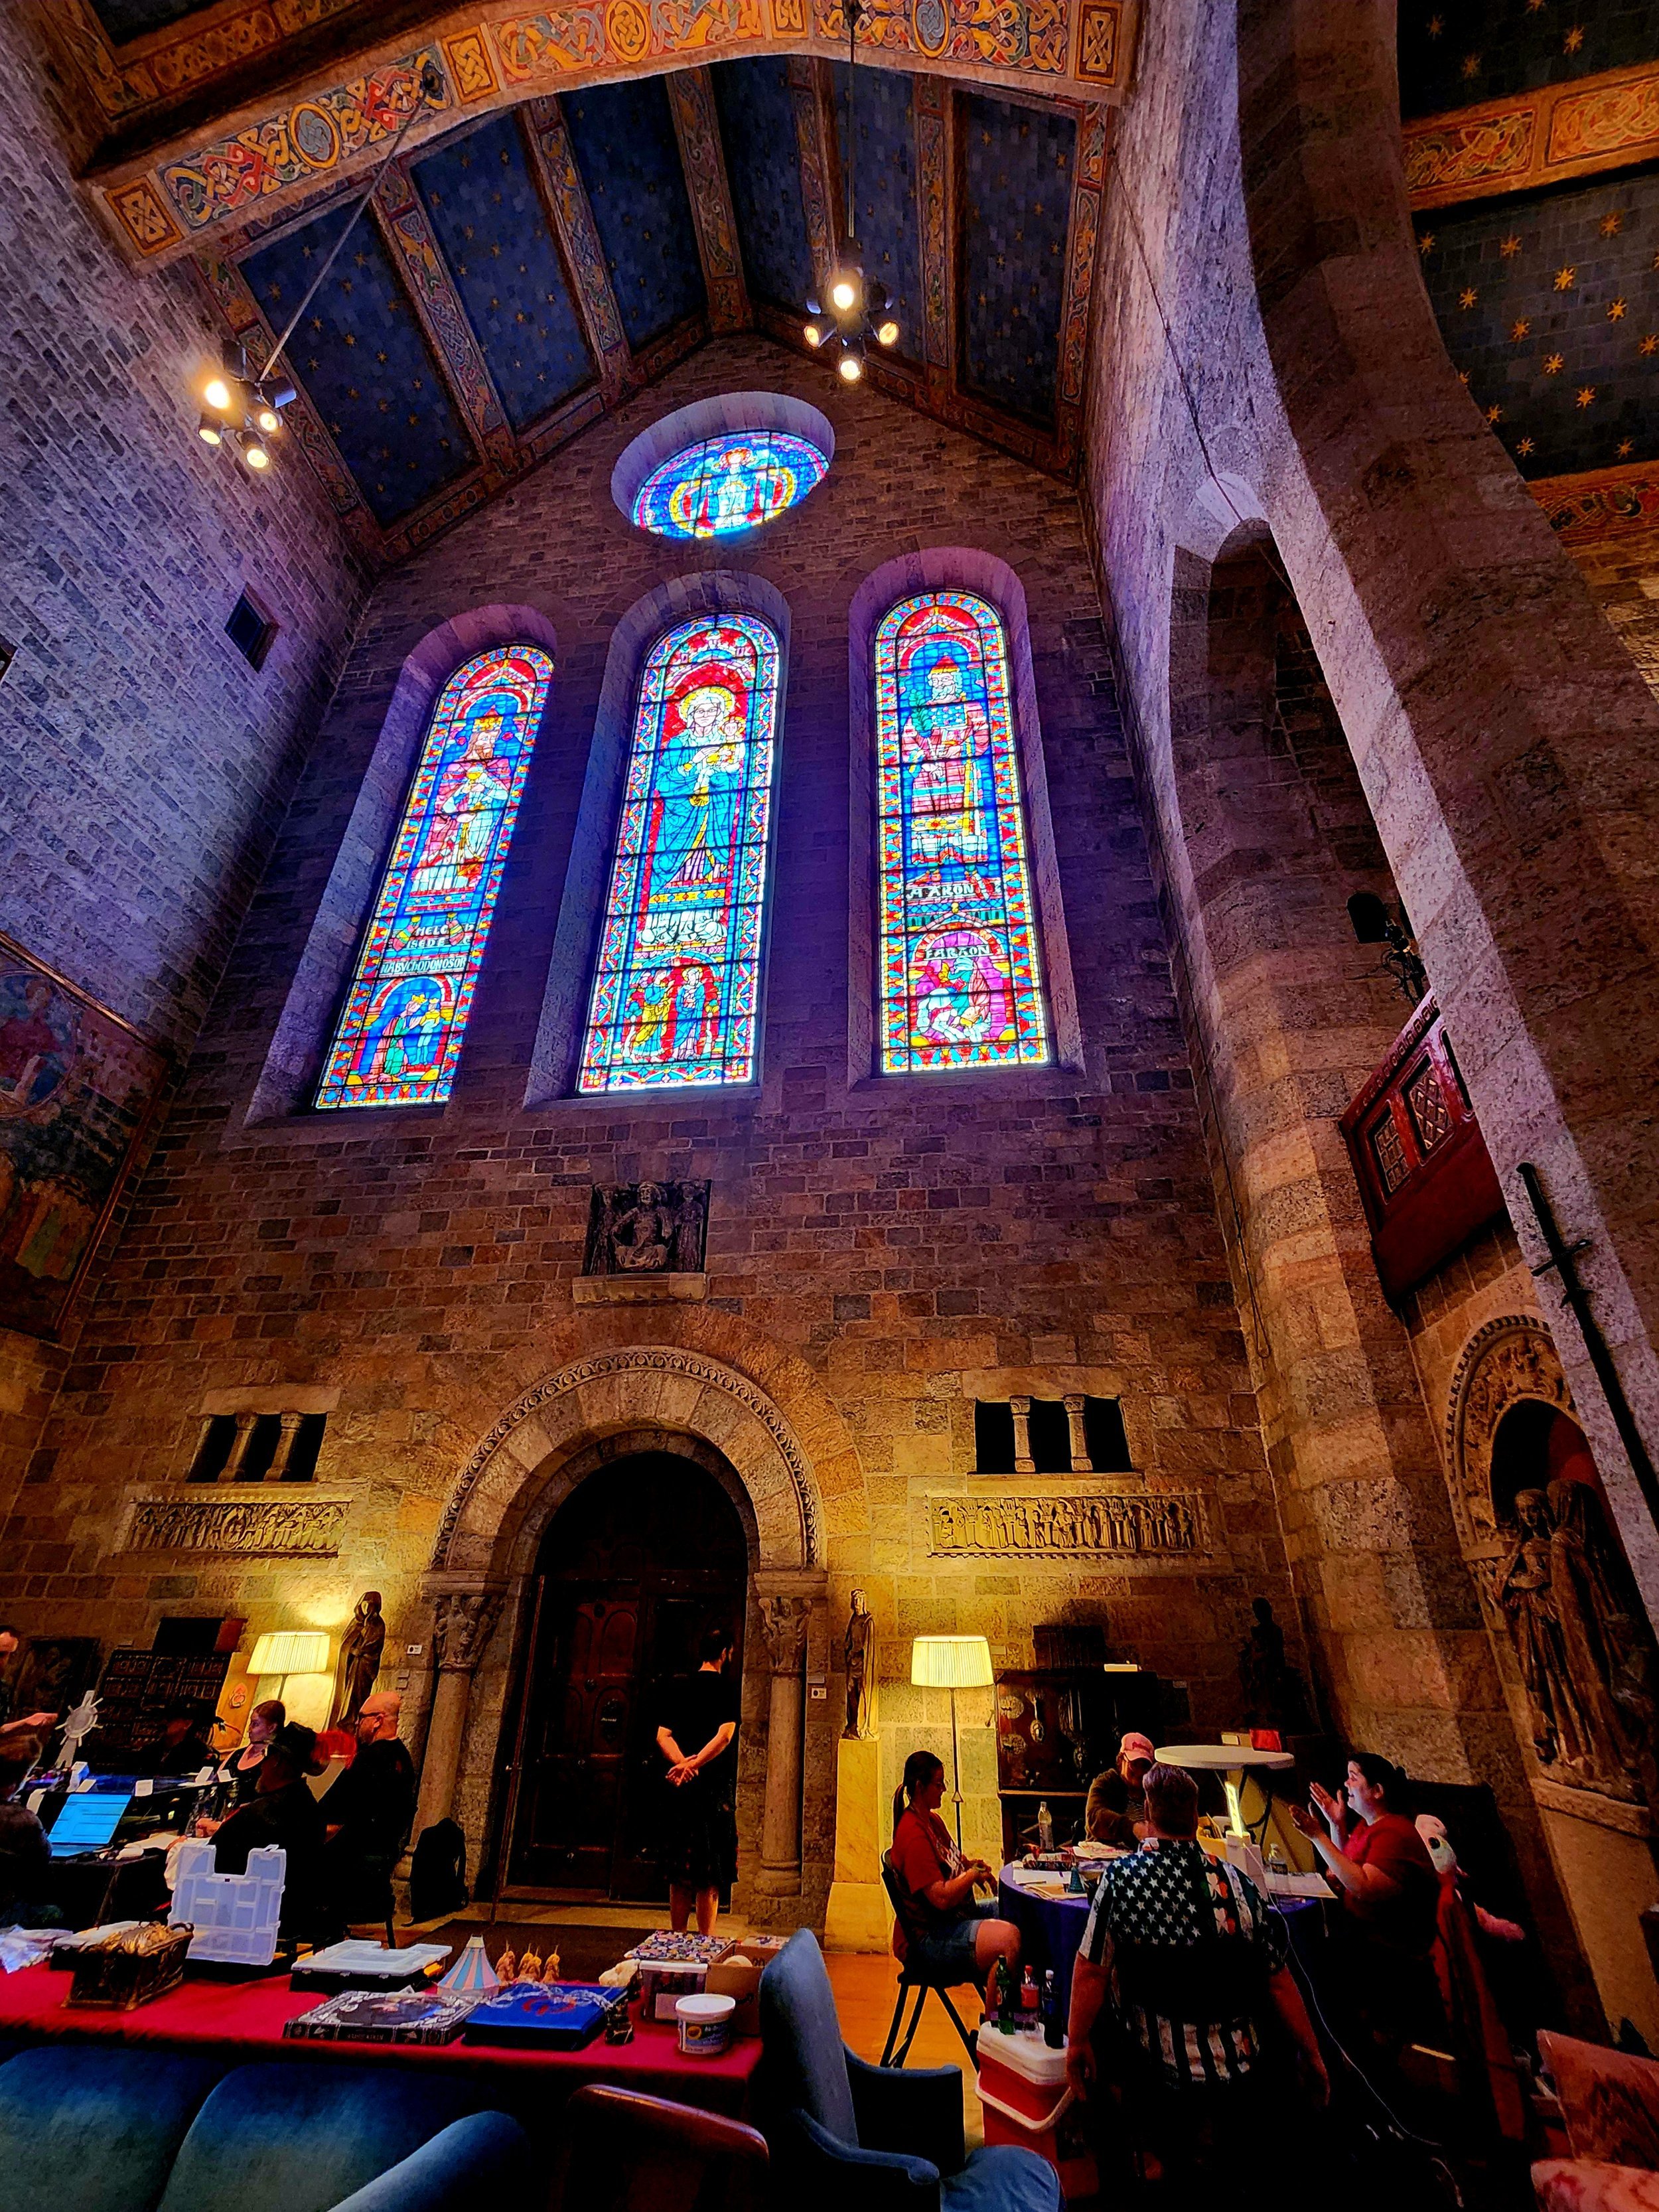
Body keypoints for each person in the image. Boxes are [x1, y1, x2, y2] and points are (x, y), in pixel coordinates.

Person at [1065, 1761, 1327, 2203]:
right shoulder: (1239, 1886)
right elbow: (1278, 1977)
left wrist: (1075, 2041)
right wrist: (1313, 2050)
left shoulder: (1123, 1880)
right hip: (1242, 2065)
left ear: (1148, 1812)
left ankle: (1132, 2169)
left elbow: (1091, 1969)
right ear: (1197, 1816)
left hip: (1153, 2061)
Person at [1292, 1750, 1441, 2055]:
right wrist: (1336, 1824)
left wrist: (1318, 1835)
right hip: (1363, 1938)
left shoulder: (1395, 1833)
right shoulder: (1366, 1827)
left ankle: (1339, 2051)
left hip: (1389, 1953)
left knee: (1307, 1962)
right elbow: (1340, 1870)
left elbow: (1363, 1886)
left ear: (1377, 1790)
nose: (1346, 1784)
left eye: (1354, 1777)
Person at [888, 1749, 1021, 1988]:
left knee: (1018, 1910)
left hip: (951, 1919)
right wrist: (972, 1876)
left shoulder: (933, 1821)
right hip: (929, 1939)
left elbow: (954, 1863)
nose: (944, 1790)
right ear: (920, 1787)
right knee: (1007, 1939)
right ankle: (997, 2020)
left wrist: (975, 1868)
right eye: (939, 1784)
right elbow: (941, 1898)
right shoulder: (912, 1835)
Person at [201, 1721, 326, 1948]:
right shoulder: (312, 1809)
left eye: (266, 1757)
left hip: (245, 1926)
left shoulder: (255, 1816)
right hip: (297, 1920)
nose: (261, 1765)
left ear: (277, 1761)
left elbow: (211, 1867)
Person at [656, 1629, 741, 1937]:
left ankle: (676, 1938)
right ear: (724, 1653)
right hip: (713, 1791)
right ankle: (705, 1942)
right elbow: (725, 1735)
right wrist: (696, 1764)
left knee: (680, 1871)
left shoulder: (680, 1686)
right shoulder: (727, 1688)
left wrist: (682, 1765)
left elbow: (663, 1735)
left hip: (681, 1789)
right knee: (710, 1873)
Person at [317, 1691, 416, 1937]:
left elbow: (331, 1814)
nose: (357, 1724)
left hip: (353, 1864)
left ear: (378, 1721)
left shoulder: (369, 1760)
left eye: (361, 1717)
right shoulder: (404, 1757)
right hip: (382, 1859)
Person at [0, 1736, 56, 1930]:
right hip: (7, 1913)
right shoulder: (23, 1821)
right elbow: (42, 1864)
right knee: (57, 1910)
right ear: (20, 1779)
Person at [214, 1699, 284, 1805]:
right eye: (250, 1723)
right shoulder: (236, 1755)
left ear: (271, 1728)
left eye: (255, 1724)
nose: (249, 1729)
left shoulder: (274, 1763)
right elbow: (213, 1785)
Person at [148, 1700, 220, 1778]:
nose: (163, 1722)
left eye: (170, 1719)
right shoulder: (150, 1751)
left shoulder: (199, 1754)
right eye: (161, 1718)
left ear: (187, 1724)